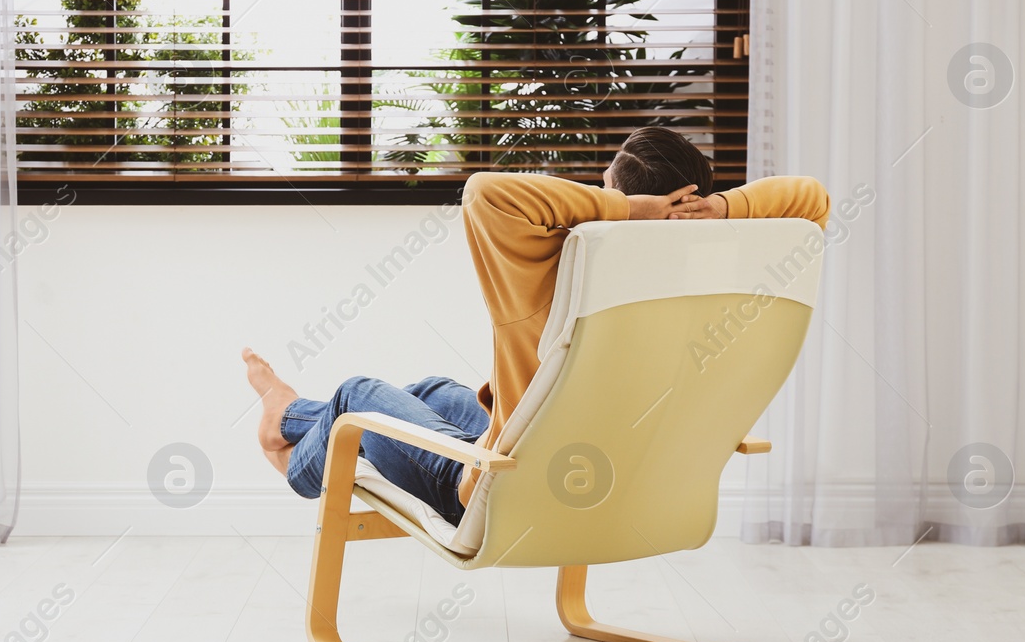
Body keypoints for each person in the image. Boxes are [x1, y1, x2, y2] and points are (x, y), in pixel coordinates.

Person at [242, 127, 831, 527]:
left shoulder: (557, 269)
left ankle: (288, 433)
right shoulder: (728, 279)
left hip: (506, 491)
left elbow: (487, 192)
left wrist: (635, 213)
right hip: (636, 487)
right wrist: (721, 210)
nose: (599, 197)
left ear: (627, 204)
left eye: (606, 189)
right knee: (433, 391)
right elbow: (813, 199)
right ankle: (296, 410)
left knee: (357, 397)